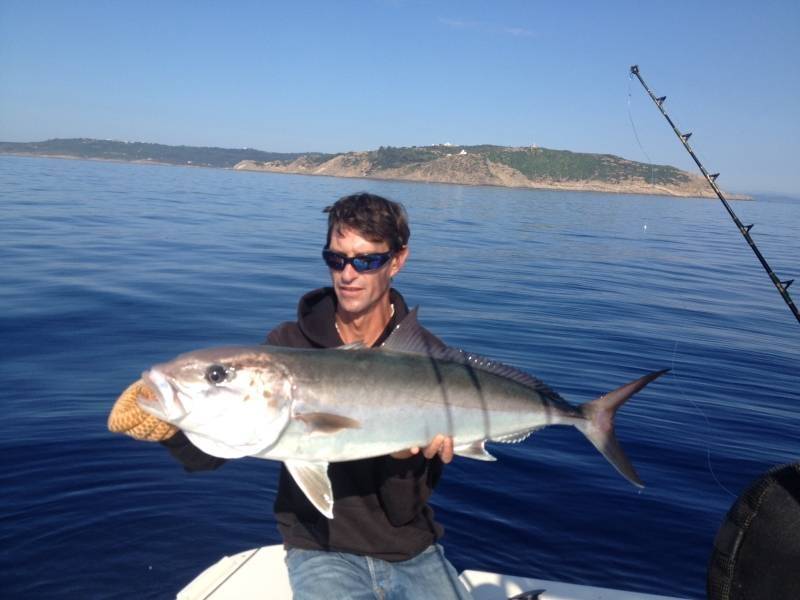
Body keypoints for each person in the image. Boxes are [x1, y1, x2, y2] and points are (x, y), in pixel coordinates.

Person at [158, 192, 472, 599]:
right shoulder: (286, 348)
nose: (348, 274)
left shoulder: (429, 359)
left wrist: (406, 462)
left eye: (367, 260)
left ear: (398, 260)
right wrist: (171, 424)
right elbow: (212, 454)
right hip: (318, 546)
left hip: (412, 547)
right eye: (336, 258)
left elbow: (402, 509)